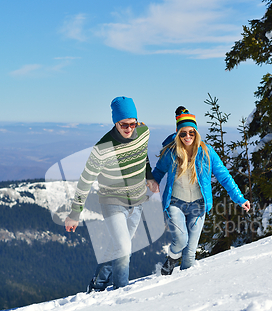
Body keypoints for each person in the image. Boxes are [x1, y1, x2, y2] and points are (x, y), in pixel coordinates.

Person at [65, 96, 159, 292]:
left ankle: (97, 285)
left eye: (132, 124)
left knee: (119, 245)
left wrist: (149, 177)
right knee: (125, 248)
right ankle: (120, 293)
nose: (129, 129)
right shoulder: (102, 149)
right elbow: (85, 180)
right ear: (115, 122)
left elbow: (143, 154)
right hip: (112, 201)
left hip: (138, 200)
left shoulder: (144, 132)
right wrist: (75, 213)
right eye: (124, 124)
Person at [152, 106, 250, 275]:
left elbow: (224, 177)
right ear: (178, 134)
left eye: (191, 132)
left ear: (196, 133)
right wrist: (152, 184)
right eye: (183, 133)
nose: (187, 136)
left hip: (198, 206)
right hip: (175, 203)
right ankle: (171, 259)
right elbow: (159, 171)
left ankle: (183, 291)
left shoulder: (207, 152)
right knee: (181, 240)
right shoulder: (171, 152)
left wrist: (240, 198)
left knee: (190, 254)